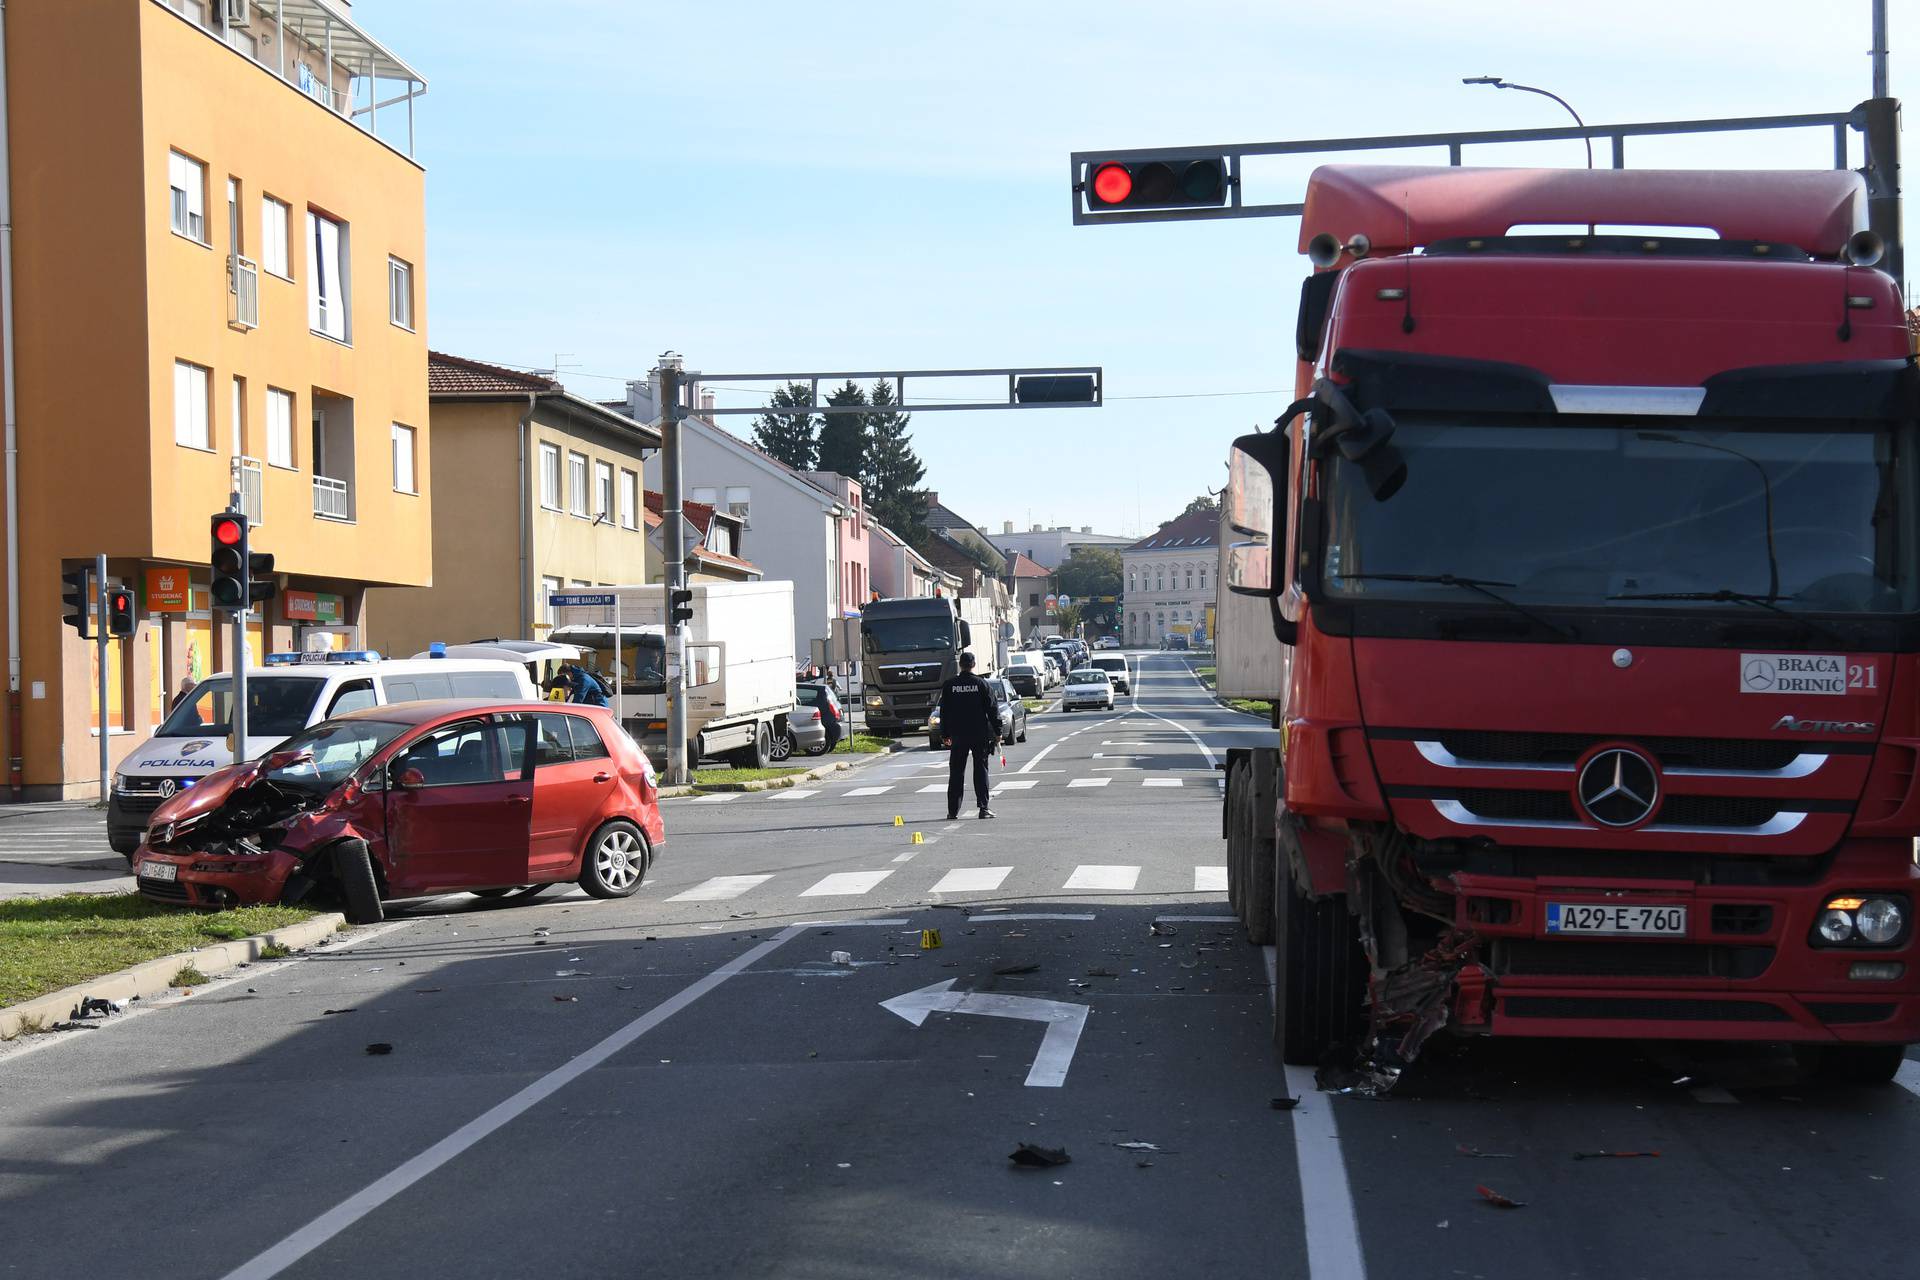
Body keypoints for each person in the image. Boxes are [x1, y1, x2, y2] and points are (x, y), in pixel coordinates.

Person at [938, 651, 1002, 819]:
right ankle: (983, 808)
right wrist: (998, 732)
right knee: (981, 771)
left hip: (958, 735)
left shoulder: (950, 685)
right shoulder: (981, 684)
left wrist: (944, 734)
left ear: (960, 665)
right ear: (973, 665)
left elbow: (943, 712)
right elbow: (993, 709)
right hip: (979, 734)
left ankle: (953, 811)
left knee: (956, 773)